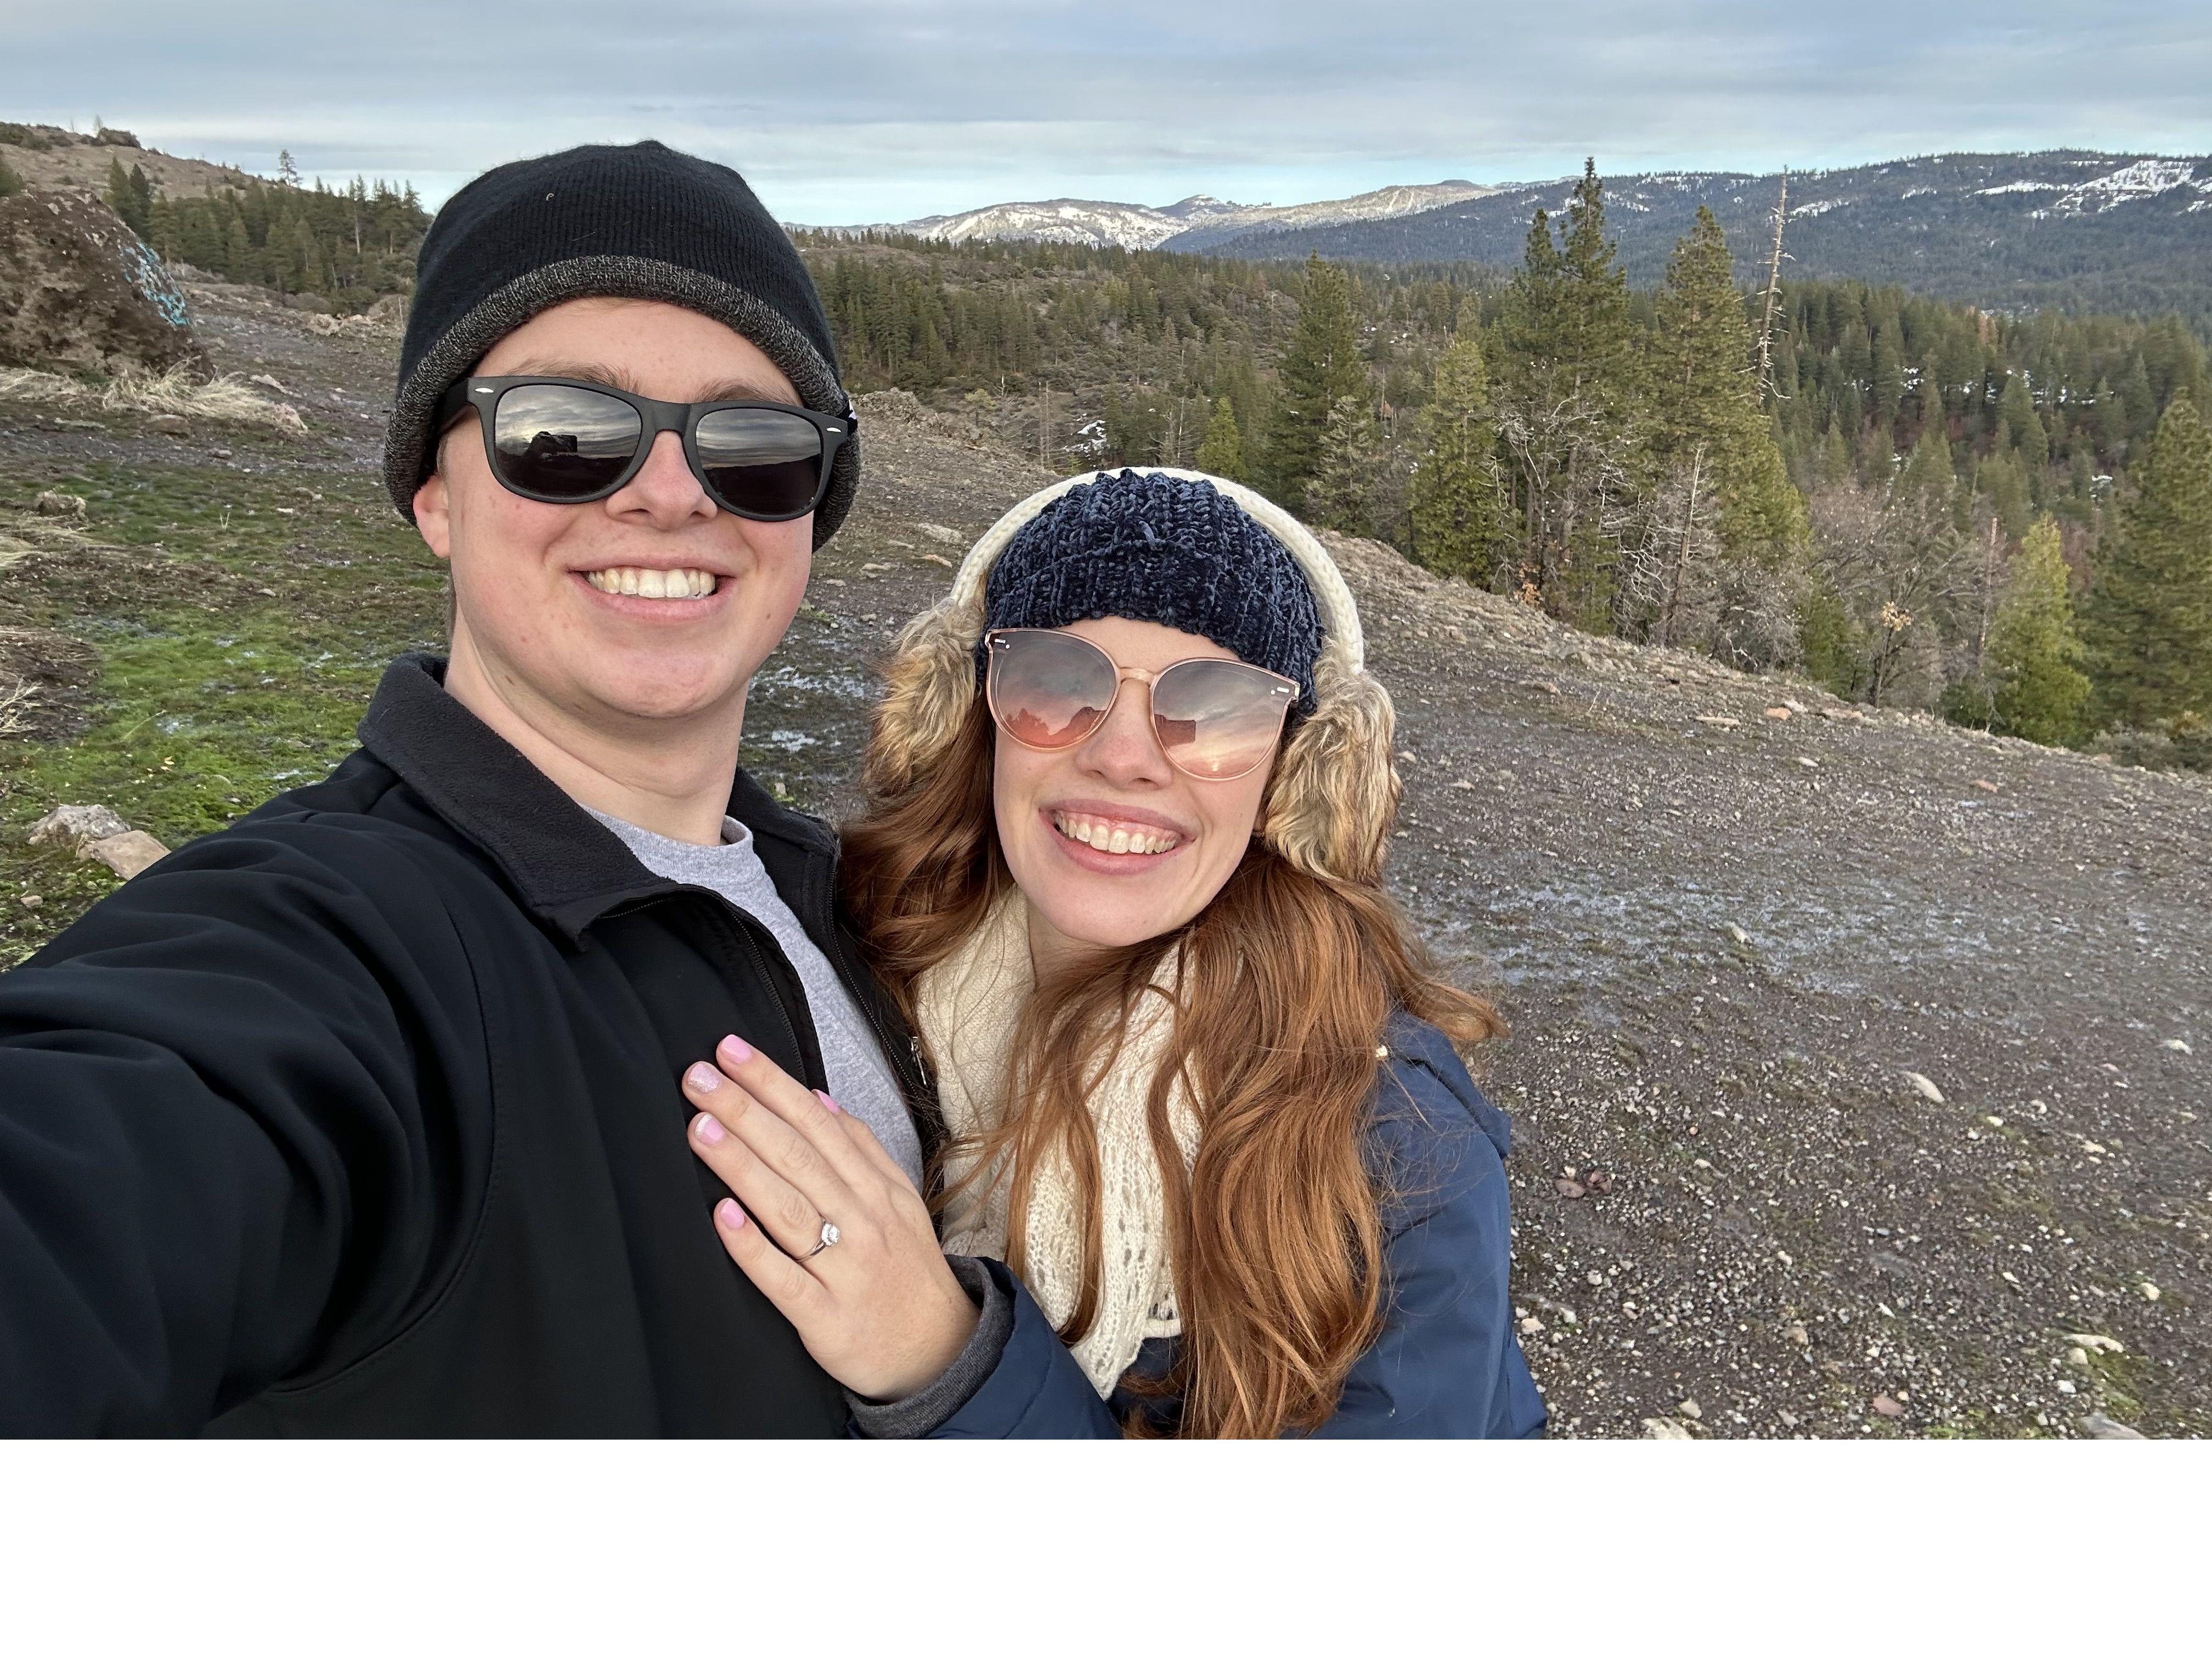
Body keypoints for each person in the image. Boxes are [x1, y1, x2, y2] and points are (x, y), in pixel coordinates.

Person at [0, 140, 978, 1436]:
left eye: (752, 442)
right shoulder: (334, 953)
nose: (672, 495)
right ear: (433, 494)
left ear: (811, 507)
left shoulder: (842, 894)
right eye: (565, 434)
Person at [675, 466, 1548, 1437]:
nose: (1124, 756)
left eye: (1215, 708)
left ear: (1290, 769)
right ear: (978, 713)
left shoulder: (1395, 1145)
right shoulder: (859, 958)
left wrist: (941, 1357)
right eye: (1058, 681)